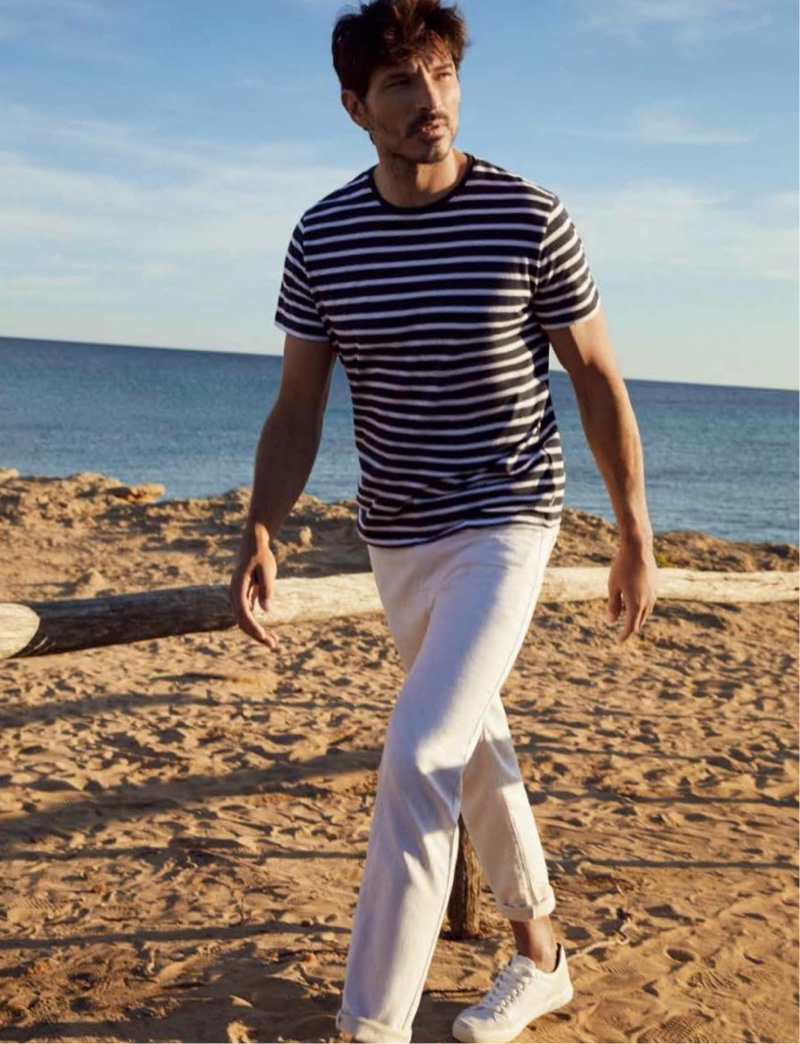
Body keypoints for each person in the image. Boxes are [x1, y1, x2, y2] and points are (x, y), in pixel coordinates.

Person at [230, 1, 658, 1040]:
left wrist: (632, 527)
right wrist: (259, 527)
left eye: (439, 75)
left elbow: (594, 376)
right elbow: (298, 405)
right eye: (398, 84)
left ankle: (367, 1025)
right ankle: (540, 957)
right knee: (470, 747)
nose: (427, 100)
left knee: (418, 750)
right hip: (396, 533)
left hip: (506, 516)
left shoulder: (526, 215)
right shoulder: (324, 233)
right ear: (353, 105)